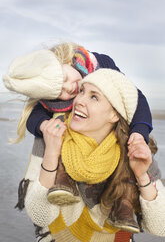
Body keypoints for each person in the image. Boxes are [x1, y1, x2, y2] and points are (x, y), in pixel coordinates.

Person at [3, 42, 153, 233]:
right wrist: (45, 126)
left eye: (65, 77)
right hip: (62, 223)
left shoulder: (100, 63)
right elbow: (35, 115)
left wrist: (139, 133)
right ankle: (62, 178)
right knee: (57, 121)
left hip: (113, 131)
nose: (70, 89)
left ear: (63, 60)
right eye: (61, 92)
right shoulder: (53, 101)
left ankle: (124, 199)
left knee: (128, 138)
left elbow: (133, 96)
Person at [20, 68, 165, 242]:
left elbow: (160, 227)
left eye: (94, 97)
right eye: (81, 91)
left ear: (114, 114)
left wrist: (142, 176)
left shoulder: (136, 148)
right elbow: (40, 217)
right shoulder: (52, 134)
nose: (79, 100)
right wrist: (51, 154)